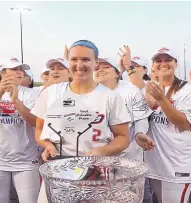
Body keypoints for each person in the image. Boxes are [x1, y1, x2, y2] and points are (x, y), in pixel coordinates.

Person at [32, 40, 131, 202]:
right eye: (74, 59)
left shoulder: (110, 97)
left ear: (96, 63)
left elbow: (123, 137)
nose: (79, 65)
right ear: (68, 61)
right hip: (58, 168)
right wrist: (47, 145)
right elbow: (39, 130)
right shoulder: (51, 93)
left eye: (85, 59)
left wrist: (102, 151)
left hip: (95, 170)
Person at [0, 56, 40, 203]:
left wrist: (16, 101)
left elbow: (36, 122)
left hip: (26, 160)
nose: (19, 73)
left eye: (21, 70)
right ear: (2, 73)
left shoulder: (31, 93)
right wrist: (0, 93)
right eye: (14, 69)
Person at [94, 57, 155, 203]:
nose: (100, 70)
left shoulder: (130, 89)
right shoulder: (87, 92)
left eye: (106, 67)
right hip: (97, 161)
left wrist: (140, 133)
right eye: (96, 68)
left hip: (129, 160)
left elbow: (141, 117)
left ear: (117, 73)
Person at [143, 47, 191, 203]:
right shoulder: (148, 89)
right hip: (155, 163)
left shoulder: (187, 89)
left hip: (178, 164)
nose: (163, 63)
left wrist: (162, 100)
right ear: (153, 65)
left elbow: (184, 124)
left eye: (168, 60)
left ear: (176, 64)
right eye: (158, 60)